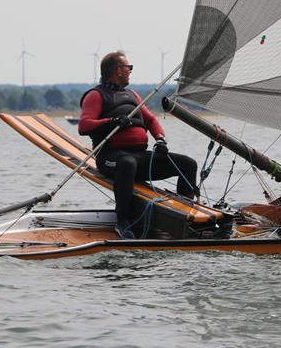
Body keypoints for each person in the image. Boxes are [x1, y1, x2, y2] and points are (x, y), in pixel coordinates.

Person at [78, 51, 197, 238]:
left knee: (187, 164)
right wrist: (112, 121)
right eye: (129, 67)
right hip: (111, 159)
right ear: (118, 70)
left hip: (140, 157)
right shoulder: (96, 95)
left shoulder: (132, 94)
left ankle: (185, 216)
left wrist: (160, 139)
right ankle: (122, 221)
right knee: (127, 163)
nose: (131, 71)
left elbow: (150, 120)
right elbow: (84, 125)